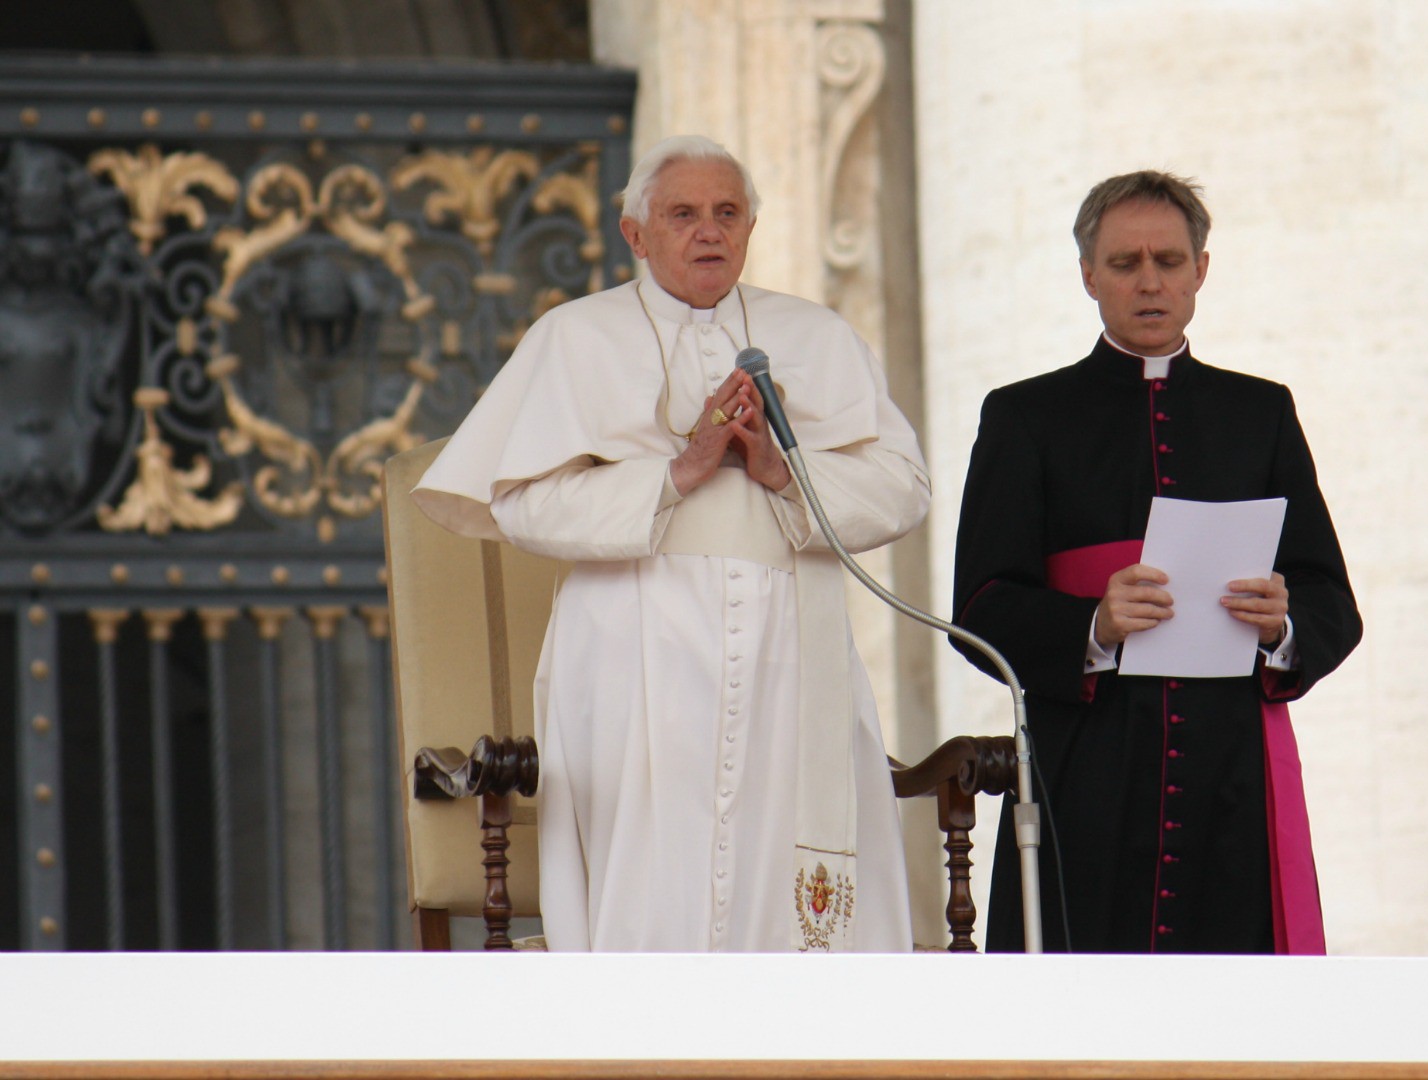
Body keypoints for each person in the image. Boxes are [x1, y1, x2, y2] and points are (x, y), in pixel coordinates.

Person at [412, 135, 929, 952]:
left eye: (727, 213)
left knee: (787, 867)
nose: (708, 232)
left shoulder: (817, 337)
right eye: (683, 214)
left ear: (752, 227)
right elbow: (522, 505)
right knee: (649, 867)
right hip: (630, 647)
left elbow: (905, 488)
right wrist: (677, 472)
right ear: (635, 233)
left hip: (790, 652)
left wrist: (781, 469)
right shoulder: (575, 338)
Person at [950, 171, 1362, 954]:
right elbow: (979, 609)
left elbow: (1331, 599)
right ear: (1087, 276)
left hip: (1230, 777)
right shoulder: (1025, 416)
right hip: (1086, 774)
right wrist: (1093, 625)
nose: (1149, 282)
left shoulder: (1260, 412)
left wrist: (1284, 626)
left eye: (1169, 262)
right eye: (1125, 263)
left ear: (1201, 271)